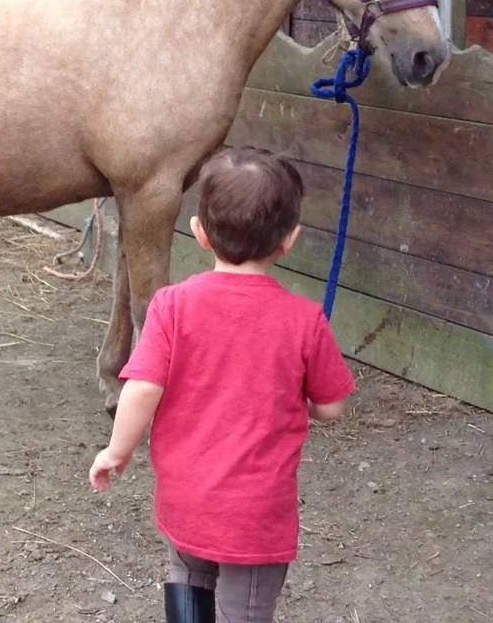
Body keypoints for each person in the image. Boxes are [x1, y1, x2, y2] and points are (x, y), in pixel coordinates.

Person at [88, 146, 357, 623]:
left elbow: (143, 388)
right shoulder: (304, 320)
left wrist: (117, 450)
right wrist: (304, 403)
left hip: (186, 498)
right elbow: (333, 407)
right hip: (256, 514)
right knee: (244, 608)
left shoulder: (171, 306)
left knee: (186, 574)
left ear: (199, 232)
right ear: (290, 239)